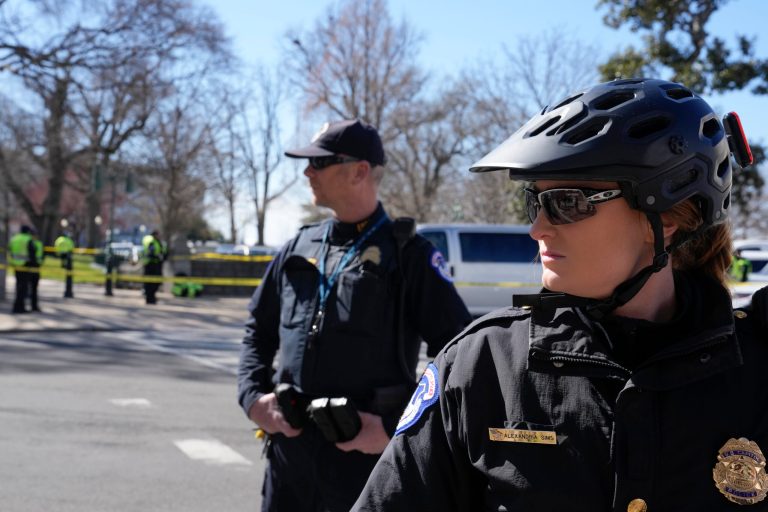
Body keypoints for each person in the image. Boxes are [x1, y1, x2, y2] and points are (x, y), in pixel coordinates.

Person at [353, 79, 768, 511]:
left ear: (664, 219)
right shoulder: (483, 367)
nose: (537, 228)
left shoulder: (757, 369)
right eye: (535, 202)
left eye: (567, 202)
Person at [237, 118, 472, 512]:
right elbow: (257, 331)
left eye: (320, 163)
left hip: (367, 472)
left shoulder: (408, 255)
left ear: (360, 171)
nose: (307, 172)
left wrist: (398, 425)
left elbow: (459, 359)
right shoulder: (299, 246)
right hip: (289, 464)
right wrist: (252, 397)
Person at [9, 225, 34, 314]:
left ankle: (16, 306)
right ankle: (21, 308)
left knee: (18, 286)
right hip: (25, 265)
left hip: (16, 265)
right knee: (23, 288)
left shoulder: (14, 238)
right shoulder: (28, 239)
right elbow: (32, 253)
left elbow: (10, 251)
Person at [141, 230, 166, 304]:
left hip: (156, 265)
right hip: (151, 265)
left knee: (156, 282)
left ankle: (152, 297)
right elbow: (150, 253)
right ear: (155, 235)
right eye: (158, 235)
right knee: (150, 283)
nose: (159, 236)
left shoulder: (158, 242)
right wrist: (157, 256)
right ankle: (150, 298)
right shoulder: (152, 242)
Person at [27, 227, 44, 312]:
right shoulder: (30, 243)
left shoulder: (38, 243)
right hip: (30, 267)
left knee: (34, 288)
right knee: (29, 288)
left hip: (36, 267)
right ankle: (31, 306)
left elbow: (41, 255)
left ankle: (34, 306)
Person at [54, 231, 75, 298]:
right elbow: (72, 247)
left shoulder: (59, 239)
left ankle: (62, 265)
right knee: (68, 270)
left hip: (61, 254)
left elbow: (56, 245)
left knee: (63, 264)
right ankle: (68, 291)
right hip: (67, 255)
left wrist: (58, 252)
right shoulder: (68, 240)